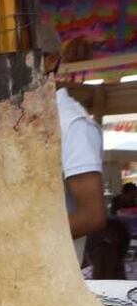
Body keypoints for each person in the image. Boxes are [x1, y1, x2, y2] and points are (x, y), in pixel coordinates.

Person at [40, 22, 106, 263]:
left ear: (49, 61)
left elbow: (92, 215)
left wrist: (21, 244)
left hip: (53, 277)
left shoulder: (71, 124)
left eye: (16, 60)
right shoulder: (23, 119)